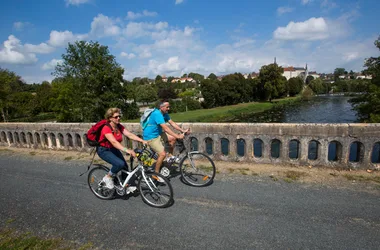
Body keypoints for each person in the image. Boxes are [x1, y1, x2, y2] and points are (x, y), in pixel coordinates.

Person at [97, 108, 147, 191]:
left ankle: (126, 184)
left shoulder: (119, 126)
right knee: (119, 164)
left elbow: (129, 135)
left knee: (124, 166)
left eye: (119, 116)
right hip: (104, 150)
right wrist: (128, 150)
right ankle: (108, 177)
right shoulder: (106, 128)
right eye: (116, 117)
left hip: (113, 149)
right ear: (110, 118)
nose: (118, 118)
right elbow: (114, 142)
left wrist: (142, 140)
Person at [143, 100, 189, 175]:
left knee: (173, 139)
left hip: (158, 133)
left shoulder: (164, 114)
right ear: (161, 107)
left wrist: (182, 130)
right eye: (167, 107)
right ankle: (156, 173)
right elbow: (166, 128)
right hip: (151, 136)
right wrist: (178, 136)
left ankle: (169, 159)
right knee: (162, 154)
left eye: (169, 107)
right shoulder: (157, 114)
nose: (169, 108)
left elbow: (172, 123)